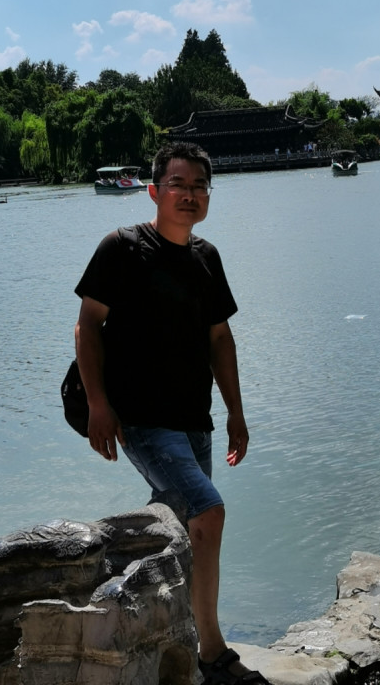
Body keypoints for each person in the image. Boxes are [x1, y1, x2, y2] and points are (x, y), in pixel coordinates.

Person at [74, 142, 269, 685]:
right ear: (154, 191)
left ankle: (156, 628)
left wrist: (236, 412)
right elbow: (87, 325)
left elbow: (220, 338)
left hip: (194, 418)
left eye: (199, 186)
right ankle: (212, 651)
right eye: (178, 184)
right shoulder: (122, 248)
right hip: (139, 419)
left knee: (181, 526)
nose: (189, 195)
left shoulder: (207, 258)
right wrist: (98, 404)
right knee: (208, 512)